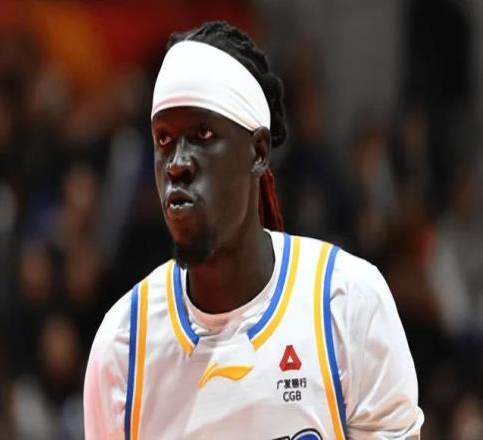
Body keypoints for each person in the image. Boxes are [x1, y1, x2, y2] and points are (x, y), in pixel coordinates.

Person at [84, 21, 424, 440]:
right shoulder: (123, 343)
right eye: (164, 139)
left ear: (259, 152)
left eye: (202, 134)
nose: (177, 163)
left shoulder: (347, 302)